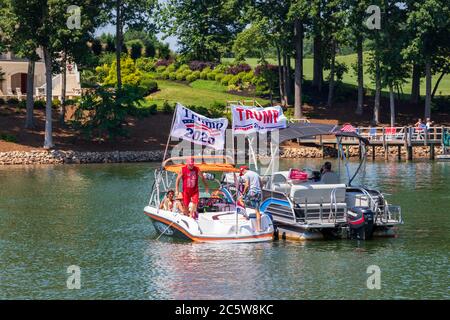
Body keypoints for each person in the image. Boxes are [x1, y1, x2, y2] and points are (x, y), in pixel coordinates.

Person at [239, 166, 262, 232]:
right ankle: (259, 228)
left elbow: (247, 185)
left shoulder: (247, 174)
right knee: (257, 210)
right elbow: (261, 184)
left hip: (252, 192)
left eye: (242, 173)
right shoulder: (256, 174)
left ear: (244, 170)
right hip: (259, 193)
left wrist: (243, 193)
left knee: (240, 200)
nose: (242, 174)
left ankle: (245, 216)